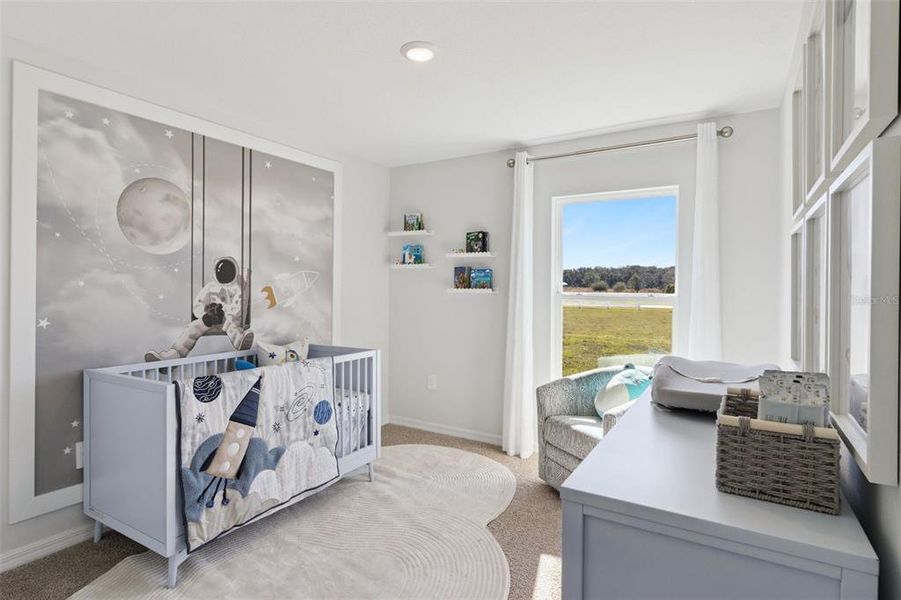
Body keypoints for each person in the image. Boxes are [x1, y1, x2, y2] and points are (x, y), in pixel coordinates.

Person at [145, 256, 254, 361]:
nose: (224, 273)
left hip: (229, 319)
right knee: (192, 328)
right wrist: (206, 314)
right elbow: (198, 304)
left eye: (228, 271)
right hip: (209, 320)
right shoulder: (210, 287)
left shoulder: (238, 288)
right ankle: (171, 356)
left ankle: (240, 341)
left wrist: (224, 313)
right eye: (222, 270)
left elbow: (240, 306)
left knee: (231, 324)